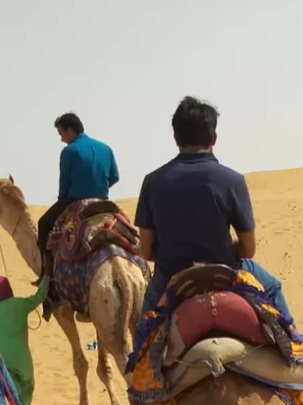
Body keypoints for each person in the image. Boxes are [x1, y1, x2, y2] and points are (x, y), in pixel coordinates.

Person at [134, 96, 288, 318]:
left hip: (171, 277)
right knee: (273, 288)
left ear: (175, 137)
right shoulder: (232, 180)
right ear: (214, 137)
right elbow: (249, 248)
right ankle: (296, 352)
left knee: (143, 334)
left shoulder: (153, 182)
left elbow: (146, 251)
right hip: (226, 273)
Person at [35, 111, 120, 268]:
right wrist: (98, 186)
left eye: (61, 134)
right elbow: (115, 177)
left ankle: (46, 273)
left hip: (76, 200)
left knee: (44, 224)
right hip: (102, 200)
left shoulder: (69, 151)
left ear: (70, 130)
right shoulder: (106, 148)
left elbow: (65, 182)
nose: (61, 139)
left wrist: (62, 199)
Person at [0, 273, 48, 405]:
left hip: (1, 360)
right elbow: (40, 295)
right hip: (22, 359)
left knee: (13, 392)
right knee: (27, 387)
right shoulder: (20, 304)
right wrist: (47, 277)